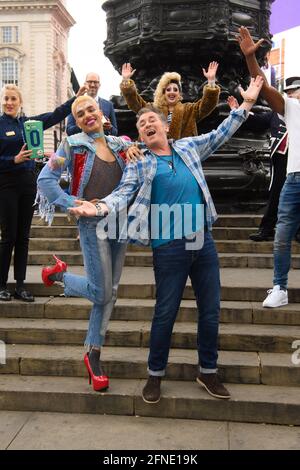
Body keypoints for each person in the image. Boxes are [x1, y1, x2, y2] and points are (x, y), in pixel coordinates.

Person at [68, 76, 264, 403]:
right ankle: (155, 374)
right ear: (141, 132)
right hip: (168, 245)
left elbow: (219, 134)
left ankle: (208, 371)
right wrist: (98, 206)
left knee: (211, 310)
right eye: (142, 122)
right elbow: (121, 194)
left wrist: (245, 105)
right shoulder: (139, 161)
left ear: (164, 127)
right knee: (165, 312)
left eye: (151, 120)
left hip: (202, 241)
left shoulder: (187, 147)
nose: (146, 124)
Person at [37, 95, 138, 392]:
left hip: (120, 223)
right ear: (76, 121)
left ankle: (93, 354)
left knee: (111, 292)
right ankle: (58, 275)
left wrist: (133, 146)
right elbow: (46, 179)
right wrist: (71, 202)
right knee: (102, 291)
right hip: (92, 224)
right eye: (80, 114)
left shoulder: (120, 144)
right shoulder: (71, 145)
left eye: (91, 109)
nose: (87, 115)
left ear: (102, 112)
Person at [0, 83, 86, 303]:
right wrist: (13, 160)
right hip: (6, 183)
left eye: (13, 99)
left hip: (28, 183)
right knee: (8, 236)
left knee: (23, 237)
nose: (9, 102)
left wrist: (75, 100)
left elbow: (56, 115)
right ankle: (1, 285)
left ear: (20, 102)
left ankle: (20, 285)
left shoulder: (28, 124)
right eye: (6, 99)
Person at [237, 26, 300, 308]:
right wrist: (251, 58)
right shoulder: (293, 108)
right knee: (282, 235)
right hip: (294, 179)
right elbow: (262, 84)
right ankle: (279, 287)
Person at [120, 62, 220, 140]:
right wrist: (126, 80)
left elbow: (207, 105)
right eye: (168, 90)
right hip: (155, 155)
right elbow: (134, 102)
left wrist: (211, 81)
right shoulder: (152, 108)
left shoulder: (189, 109)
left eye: (175, 90)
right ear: (163, 92)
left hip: (182, 156)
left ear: (180, 94)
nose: (172, 92)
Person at [66, 72, 118, 137]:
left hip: (102, 144)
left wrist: (110, 128)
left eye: (95, 82)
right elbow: (69, 130)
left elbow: (115, 132)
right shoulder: (75, 104)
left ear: (99, 85)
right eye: (90, 82)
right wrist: (83, 125)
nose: (92, 85)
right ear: (85, 84)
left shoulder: (108, 105)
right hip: (83, 145)